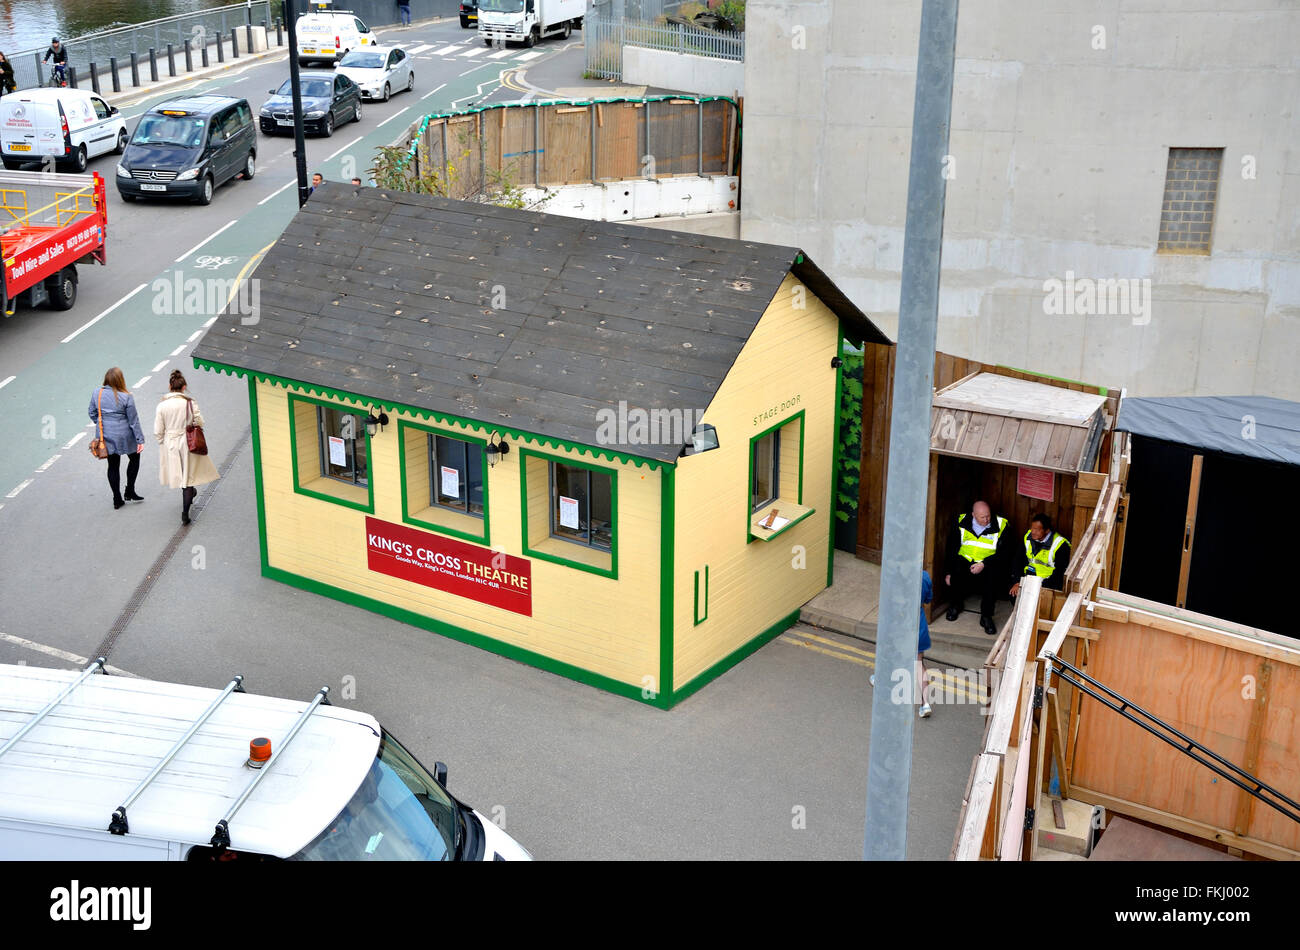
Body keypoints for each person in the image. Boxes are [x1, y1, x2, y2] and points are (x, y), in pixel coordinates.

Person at [154, 370, 220, 525]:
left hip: (171, 444)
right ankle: (185, 512)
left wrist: (162, 442)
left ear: (170, 386)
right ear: (184, 387)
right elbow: (200, 422)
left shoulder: (162, 405)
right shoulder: (189, 403)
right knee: (188, 479)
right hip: (187, 442)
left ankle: (188, 497)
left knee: (179, 474)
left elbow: (158, 431)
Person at [870, 570, 935, 719]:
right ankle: (925, 704)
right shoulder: (924, 576)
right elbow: (928, 599)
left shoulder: (897, 574)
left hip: (900, 624)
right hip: (919, 625)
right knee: (918, 663)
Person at [944, 500, 1012, 634]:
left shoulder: (1002, 524)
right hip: (965, 560)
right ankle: (955, 606)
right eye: (982, 517)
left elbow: (1006, 552)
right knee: (955, 576)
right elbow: (951, 548)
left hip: (988, 562)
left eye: (988, 516)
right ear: (973, 515)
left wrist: (984, 563)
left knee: (992, 581)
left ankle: (986, 617)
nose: (987, 520)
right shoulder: (961, 521)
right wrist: (948, 572)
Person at [88, 368, 146, 510]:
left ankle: (117, 498)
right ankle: (130, 490)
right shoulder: (126, 396)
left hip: (107, 435)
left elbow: (92, 412)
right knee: (134, 459)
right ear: (121, 380)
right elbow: (133, 420)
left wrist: (102, 423)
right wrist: (140, 439)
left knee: (113, 465)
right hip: (126, 435)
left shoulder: (97, 393)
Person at [1010, 513, 1072, 597]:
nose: (1033, 532)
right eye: (1032, 528)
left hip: (1047, 584)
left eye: (1037, 529)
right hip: (1028, 579)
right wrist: (1017, 582)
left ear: (1047, 530)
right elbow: (1018, 560)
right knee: (1013, 594)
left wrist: (1039, 587)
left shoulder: (1060, 544)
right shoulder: (1028, 537)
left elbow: (1059, 574)